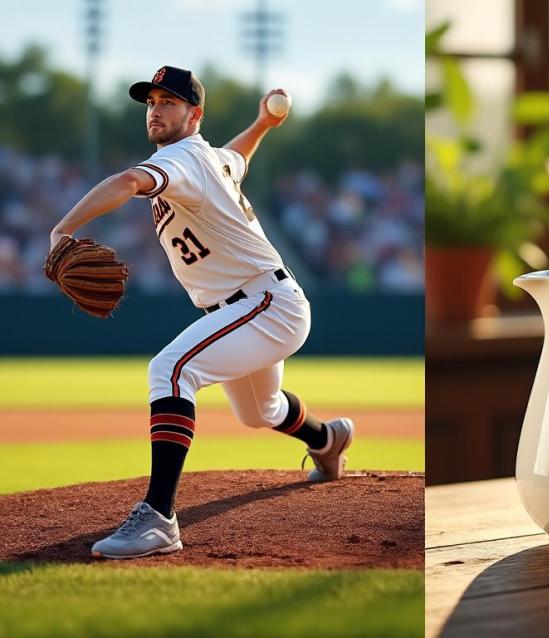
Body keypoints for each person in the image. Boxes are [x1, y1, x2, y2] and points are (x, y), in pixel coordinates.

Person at [48, 66, 354, 559]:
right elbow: (237, 157)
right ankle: (328, 438)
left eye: (168, 102)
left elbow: (129, 180)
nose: (155, 110)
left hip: (263, 304)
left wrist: (61, 228)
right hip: (259, 305)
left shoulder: (184, 157)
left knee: (170, 370)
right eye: (151, 102)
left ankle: (158, 518)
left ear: (194, 115)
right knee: (260, 411)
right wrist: (262, 125)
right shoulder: (210, 159)